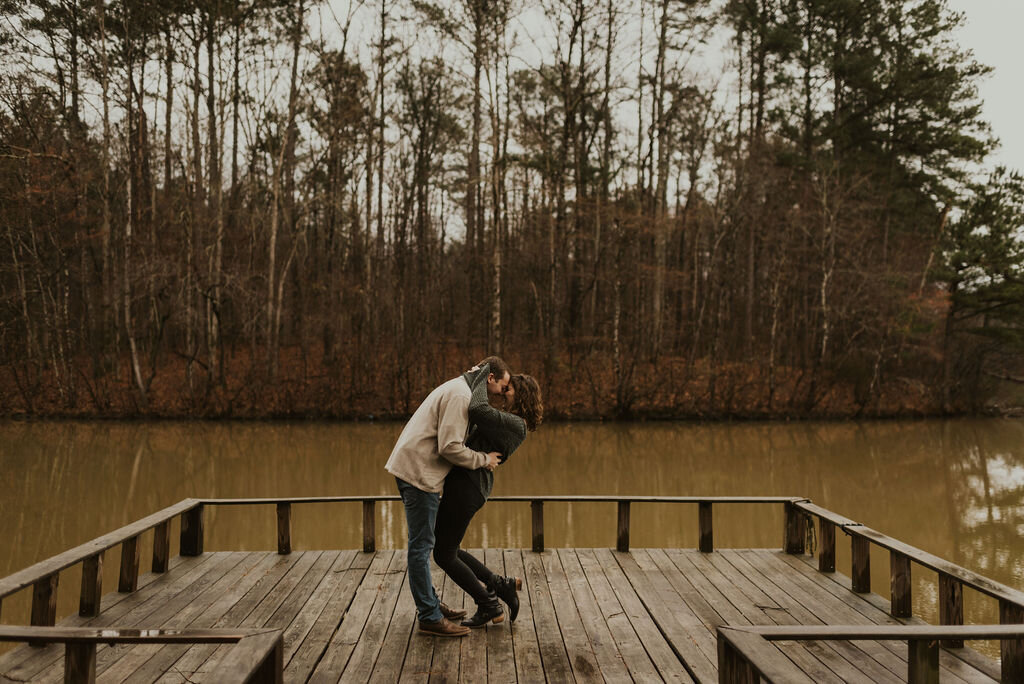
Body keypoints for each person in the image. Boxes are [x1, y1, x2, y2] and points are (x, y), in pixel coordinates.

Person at [385, 357, 509, 637]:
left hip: (417, 470)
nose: (502, 394)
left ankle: (432, 605)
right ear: (490, 378)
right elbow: (450, 447)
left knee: (424, 543)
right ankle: (429, 615)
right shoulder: (460, 396)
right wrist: (483, 459)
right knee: (421, 547)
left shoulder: (460, 389)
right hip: (418, 474)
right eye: (503, 387)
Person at [433, 364, 543, 628]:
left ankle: (488, 603)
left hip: (468, 487)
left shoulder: (515, 424)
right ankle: (500, 586)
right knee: (449, 549)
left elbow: (477, 409)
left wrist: (483, 371)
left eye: (508, 389)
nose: (503, 393)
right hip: (467, 484)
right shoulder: (511, 421)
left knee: (443, 554)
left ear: (522, 394)